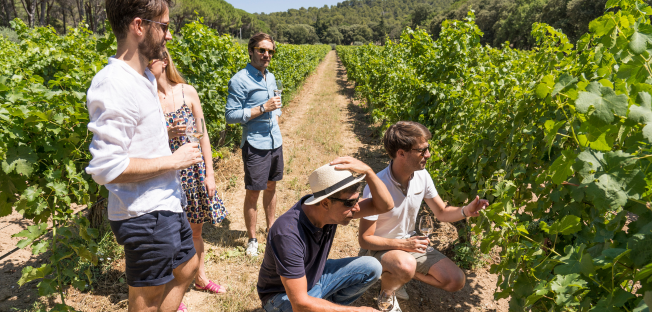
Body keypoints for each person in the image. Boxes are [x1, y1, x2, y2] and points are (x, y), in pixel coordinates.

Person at [85, 1, 200, 311]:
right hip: (144, 214)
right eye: (163, 26)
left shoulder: (144, 79)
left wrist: (166, 134)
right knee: (147, 298)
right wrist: (174, 160)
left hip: (166, 203)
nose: (169, 36)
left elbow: (135, 139)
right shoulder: (114, 84)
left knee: (188, 268)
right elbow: (106, 167)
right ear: (139, 26)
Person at [357, 121, 489, 312]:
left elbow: (442, 211)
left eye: (428, 148)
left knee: (456, 280)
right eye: (422, 150)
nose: (428, 154)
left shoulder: (422, 176)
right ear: (401, 153)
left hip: (409, 246)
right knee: (406, 265)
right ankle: (387, 292)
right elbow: (365, 240)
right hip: (377, 250)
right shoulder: (376, 187)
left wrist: (465, 211)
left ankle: (400, 274)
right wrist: (404, 246)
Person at [257, 156, 395, 312]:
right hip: (282, 297)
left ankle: (323, 305)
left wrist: (368, 172)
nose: (356, 208)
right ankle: (321, 306)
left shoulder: (330, 211)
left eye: (357, 199)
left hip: (314, 278)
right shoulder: (288, 234)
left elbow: (386, 205)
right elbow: (299, 303)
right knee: (303, 306)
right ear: (325, 203)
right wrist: (357, 311)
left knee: (372, 267)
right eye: (350, 203)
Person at [148, 49, 229, 296]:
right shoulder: (147, 98)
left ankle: (201, 278)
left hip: (193, 171)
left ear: (163, 61)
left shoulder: (188, 91)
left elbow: (202, 133)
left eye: (147, 59)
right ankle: (174, 292)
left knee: (195, 230)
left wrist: (210, 173)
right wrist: (167, 134)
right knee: (171, 236)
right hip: (166, 173)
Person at [225, 32, 283, 256]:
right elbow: (230, 115)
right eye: (262, 50)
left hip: (274, 140)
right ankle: (252, 239)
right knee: (253, 192)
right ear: (251, 51)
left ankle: (271, 231)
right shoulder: (239, 80)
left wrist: (276, 111)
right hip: (255, 144)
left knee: (272, 186)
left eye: (270, 51)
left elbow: (274, 104)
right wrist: (263, 109)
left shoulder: (270, 76)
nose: (266, 55)